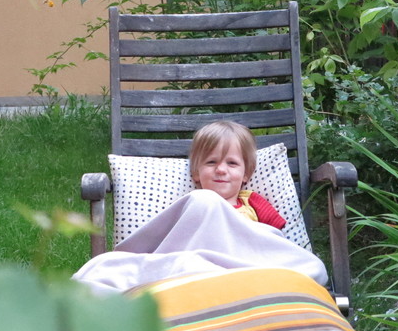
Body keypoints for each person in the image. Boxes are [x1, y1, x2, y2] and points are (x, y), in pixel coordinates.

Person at [72, 121, 328, 295]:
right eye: (211, 162)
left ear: (247, 173)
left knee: (311, 268)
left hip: (245, 265)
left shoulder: (253, 202)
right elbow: (173, 240)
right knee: (205, 202)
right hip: (194, 266)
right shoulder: (195, 204)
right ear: (195, 172)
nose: (221, 169)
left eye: (232, 163)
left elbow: (274, 240)